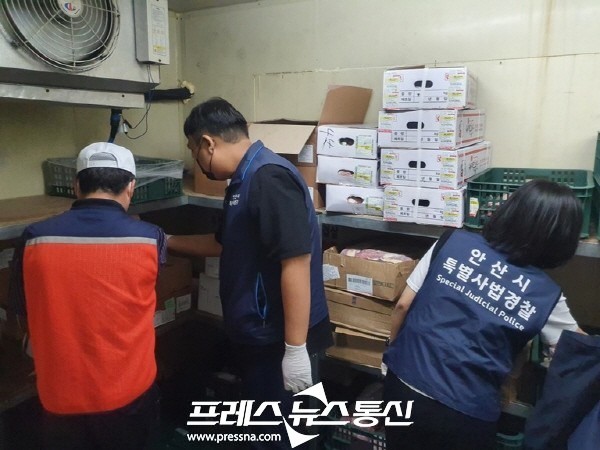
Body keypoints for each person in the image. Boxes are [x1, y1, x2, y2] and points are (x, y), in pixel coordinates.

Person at [168, 97, 332, 449]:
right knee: (271, 431)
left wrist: (294, 349)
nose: (197, 162)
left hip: (277, 339)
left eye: (194, 151)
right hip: (259, 335)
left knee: (286, 437)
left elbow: (295, 262)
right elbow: (224, 243)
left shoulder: (268, 178)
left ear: (208, 143)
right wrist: (166, 241)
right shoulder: (243, 180)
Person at [382, 179, 584, 450]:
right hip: (467, 410)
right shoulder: (546, 295)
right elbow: (579, 351)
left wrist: (391, 353)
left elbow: (403, 306)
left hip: (404, 383)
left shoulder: (452, 242)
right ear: (562, 239)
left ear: (509, 211)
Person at [9, 142, 167, 449]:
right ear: (131, 187)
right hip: (129, 393)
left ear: (76, 186)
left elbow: (22, 311)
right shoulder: (150, 238)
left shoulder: (34, 237)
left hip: (59, 396)